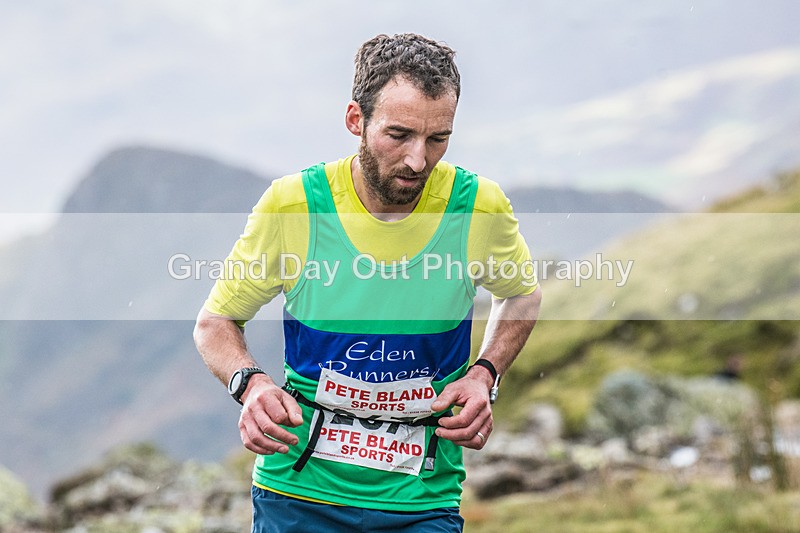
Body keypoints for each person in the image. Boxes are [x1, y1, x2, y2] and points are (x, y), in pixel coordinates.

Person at [194, 32, 542, 532]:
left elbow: (521, 295)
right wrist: (249, 385)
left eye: (438, 138)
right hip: (298, 494)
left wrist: (486, 373)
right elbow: (215, 322)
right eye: (399, 135)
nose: (418, 160)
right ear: (356, 119)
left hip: (421, 500)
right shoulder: (295, 205)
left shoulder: (478, 207)